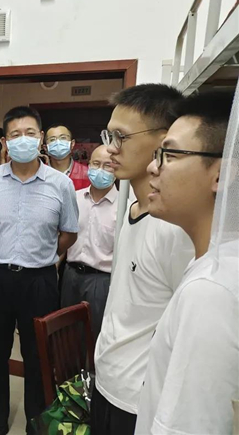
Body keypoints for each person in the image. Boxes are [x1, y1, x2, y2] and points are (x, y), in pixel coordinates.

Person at [92, 84, 195, 435]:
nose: (110, 148)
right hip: (109, 379)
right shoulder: (133, 208)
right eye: (109, 135)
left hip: (138, 400)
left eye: (121, 137)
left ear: (164, 142)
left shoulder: (175, 229)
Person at [0, 106, 79, 435]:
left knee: (38, 354)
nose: (23, 140)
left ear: (40, 138)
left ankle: (36, 419)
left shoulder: (60, 184)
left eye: (29, 133)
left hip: (39, 280)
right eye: (15, 134)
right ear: (5, 141)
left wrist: (43, 255)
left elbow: (68, 234)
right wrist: (1, 253)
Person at [136, 90, 239, 434]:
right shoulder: (218, 266)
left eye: (170, 154)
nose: (152, 167)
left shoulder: (211, 291)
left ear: (221, 175)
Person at [60, 145, 118, 338]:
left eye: (107, 165)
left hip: (101, 280)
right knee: (66, 333)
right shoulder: (74, 198)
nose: (100, 170)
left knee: (94, 335)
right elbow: (63, 237)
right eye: (95, 163)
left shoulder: (124, 207)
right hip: (70, 275)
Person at [45, 124, 91, 190]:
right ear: (45, 147)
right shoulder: (38, 173)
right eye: (52, 139)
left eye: (63, 138)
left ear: (72, 144)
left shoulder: (87, 173)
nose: (58, 142)